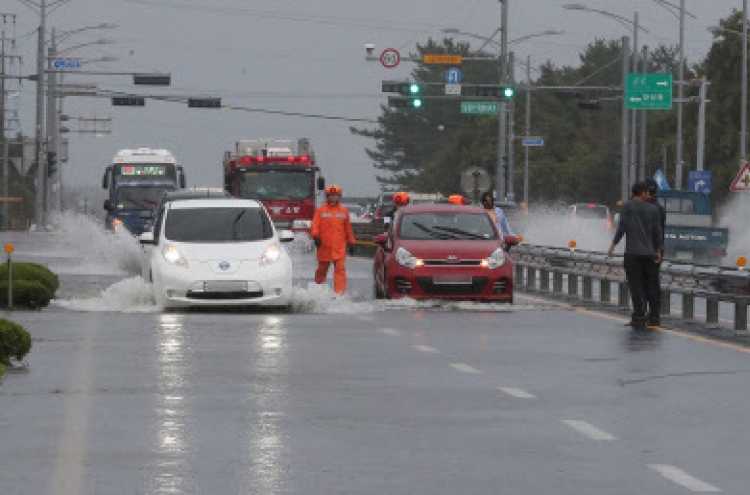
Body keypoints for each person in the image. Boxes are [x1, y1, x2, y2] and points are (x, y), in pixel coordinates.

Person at [608, 182, 663, 328]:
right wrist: (657, 251)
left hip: (632, 253)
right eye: (647, 193)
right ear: (643, 193)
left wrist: (613, 245)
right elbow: (657, 233)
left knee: (636, 285)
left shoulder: (626, 207)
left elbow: (622, 227)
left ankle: (639, 315)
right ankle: (654, 317)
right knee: (651, 285)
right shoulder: (654, 209)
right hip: (650, 254)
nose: (649, 195)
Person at [311, 185, 356, 295]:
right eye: (331, 196)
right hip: (324, 246)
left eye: (336, 196)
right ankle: (317, 291)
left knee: (340, 271)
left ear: (339, 197)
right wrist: (315, 236)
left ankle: (339, 294)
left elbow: (348, 228)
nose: (334, 198)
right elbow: (315, 225)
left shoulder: (344, 211)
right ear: (327, 197)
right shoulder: (320, 210)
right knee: (321, 271)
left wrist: (351, 243)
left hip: (339, 247)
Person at [643, 178, 667, 326]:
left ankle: (651, 313)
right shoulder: (659, 207)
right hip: (656, 249)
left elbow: (655, 231)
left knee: (648, 283)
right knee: (652, 282)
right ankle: (653, 314)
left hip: (649, 250)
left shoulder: (650, 208)